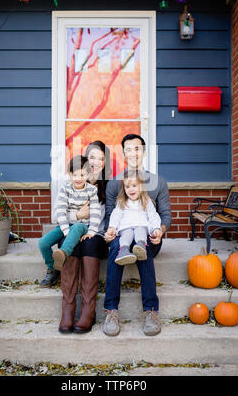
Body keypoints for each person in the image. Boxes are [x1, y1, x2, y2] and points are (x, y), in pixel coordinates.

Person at [103, 133, 171, 337]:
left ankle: (151, 311)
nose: (133, 153)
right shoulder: (115, 184)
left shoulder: (158, 182)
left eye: (137, 148)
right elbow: (110, 216)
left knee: (145, 246)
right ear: (123, 154)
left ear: (144, 151)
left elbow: (165, 214)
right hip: (122, 236)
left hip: (148, 235)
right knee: (116, 247)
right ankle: (112, 311)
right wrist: (109, 233)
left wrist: (160, 232)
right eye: (128, 149)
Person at [58, 141, 112, 334]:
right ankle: (68, 309)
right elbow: (62, 214)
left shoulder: (109, 187)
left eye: (101, 158)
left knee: (89, 244)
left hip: (97, 235)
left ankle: (88, 310)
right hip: (74, 230)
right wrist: (79, 216)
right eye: (92, 158)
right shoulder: (75, 184)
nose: (96, 162)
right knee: (67, 243)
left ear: (106, 163)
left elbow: (110, 219)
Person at [38, 155, 101, 276]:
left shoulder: (92, 190)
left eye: (82, 175)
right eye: (75, 175)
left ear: (88, 174)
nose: (78, 178)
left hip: (82, 225)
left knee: (77, 227)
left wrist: (91, 232)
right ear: (70, 174)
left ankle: (63, 253)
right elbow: (60, 212)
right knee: (43, 243)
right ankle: (53, 268)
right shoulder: (65, 189)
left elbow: (95, 213)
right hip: (66, 224)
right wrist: (66, 231)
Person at [106, 170, 162, 266]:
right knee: (126, 234)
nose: (131, 189)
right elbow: (116, 215)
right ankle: (123, 251)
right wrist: (112, 227)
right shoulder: (122, 202)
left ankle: (140, 246)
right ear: (124, 188)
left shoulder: (146, 201)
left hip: (141, 225)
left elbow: (153, 216)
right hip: (126, 227)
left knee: (141, 230)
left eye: (134, 186)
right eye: (127, 187)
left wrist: (156, 228)